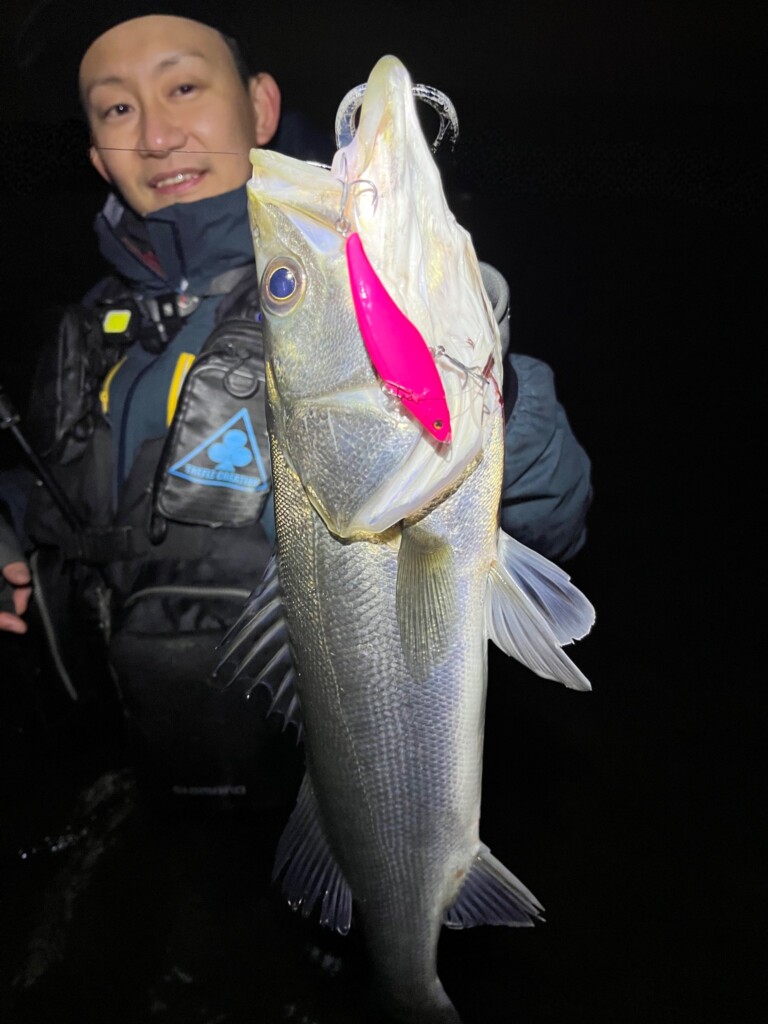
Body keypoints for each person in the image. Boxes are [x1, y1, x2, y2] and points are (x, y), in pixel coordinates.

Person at [1, 2, 593, 813]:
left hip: (323, 774)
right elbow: (55, 497)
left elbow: (546, 522)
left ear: (262, 107)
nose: (158, 135)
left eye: (183, 86)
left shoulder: (333, 277)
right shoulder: (82, 332)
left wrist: (493, 400)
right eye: (117, 107)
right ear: (99, 156)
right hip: (144, 759)